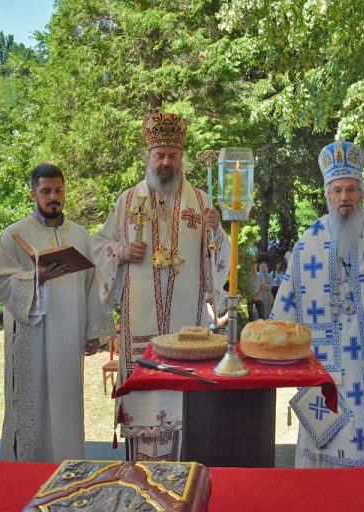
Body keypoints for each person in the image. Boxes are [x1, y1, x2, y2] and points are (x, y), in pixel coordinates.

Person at [271, 141, 364, 468]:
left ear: (362, 193)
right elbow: (285, 305)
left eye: (351, 189)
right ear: (328, 194)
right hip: (325, 366)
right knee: (324, 450)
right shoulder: (307, 243)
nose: (344, 197)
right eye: (337, 190)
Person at [93, 112, 229, 461]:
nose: (165, 162)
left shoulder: (201, 203)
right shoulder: (127, 202)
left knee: (186, 406)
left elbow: (218, 258)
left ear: (181, 158)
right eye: (159, 155)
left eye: (172, 155)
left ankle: (186, 474)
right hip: (141, 324)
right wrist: (121, 251)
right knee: (145, 400)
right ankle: (140, 474)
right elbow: (99, 246)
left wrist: (216, 231)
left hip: (187, 327)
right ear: (148, 157)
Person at [0, 163, 114, 462]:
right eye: (46, 191)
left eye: (58, 190)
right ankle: (25, 472)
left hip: (68, 336)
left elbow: (93, 283)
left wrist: (93, 331)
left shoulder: (80, 236)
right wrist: (38, 277)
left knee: (65, 405)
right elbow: (1, 282)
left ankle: (67, 466)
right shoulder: (13, 235)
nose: (53, 197)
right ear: (33, 194)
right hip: (30, 338)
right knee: (31, 406)